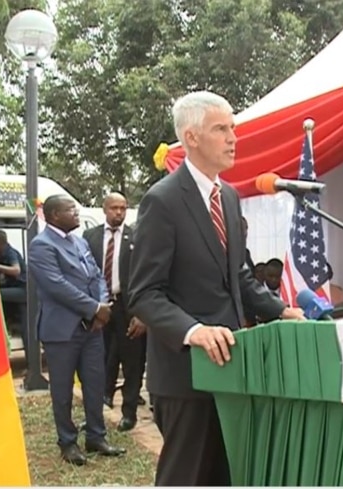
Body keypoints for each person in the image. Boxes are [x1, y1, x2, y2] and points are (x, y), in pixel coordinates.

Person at [129, 91, 305, 486]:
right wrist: (194, 331)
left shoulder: (227, 196)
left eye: (233, 128)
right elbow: (144, 294)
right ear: (191, 137)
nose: (232, 138)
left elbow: (238, 276)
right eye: (221, 129)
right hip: (185, 375)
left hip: (231, 368)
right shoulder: (163, 201)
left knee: (225, 475)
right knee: (187, 477)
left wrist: (280, 310)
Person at [28, 194, 125, 466]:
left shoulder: (79, 241)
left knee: (94, 383)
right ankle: (67, 442)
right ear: (54, 215)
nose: (77, 213)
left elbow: (96, 276)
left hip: (91, 330)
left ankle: (96, 436)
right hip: (62, 331)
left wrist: (102, 305)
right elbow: (56, 286)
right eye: (71, 209)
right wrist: (94, 308)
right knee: (63, 389)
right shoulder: (41, 246)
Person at [83, 192, 146, 431]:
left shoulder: (137, 237)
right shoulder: (90, 236)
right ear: (104, 209)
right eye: (114, 208)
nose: (119, 212)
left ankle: (129, 412)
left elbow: (144, 275)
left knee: (132, 361)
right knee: (99, 357)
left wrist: (142, 313)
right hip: (99, 306)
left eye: (123, 208)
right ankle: (98, 406)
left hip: (127, 307)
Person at [0, 230, 28, 353]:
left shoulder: (10, 253)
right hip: (16, 290)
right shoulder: (0, 254)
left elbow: (16, 270)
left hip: (23, 291)